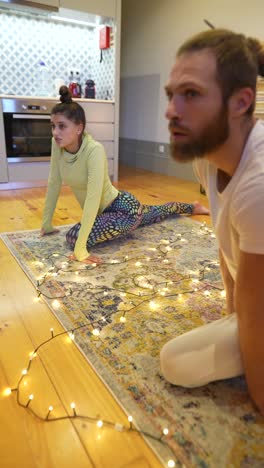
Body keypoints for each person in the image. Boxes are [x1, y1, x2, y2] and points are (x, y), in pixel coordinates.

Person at [160, 28, 264, 416]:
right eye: (171, 95)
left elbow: (258, 306)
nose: (171, 110)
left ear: (240, 103)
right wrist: (232, 315)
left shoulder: (259, 185)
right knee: (179, 359)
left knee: (177, 361)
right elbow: (227, 247)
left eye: (190, 94)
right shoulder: (207, 158)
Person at [41, 86, 209, 265]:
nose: (55, 132)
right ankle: (192, 207)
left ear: (79, 128)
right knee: (156, 212)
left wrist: (81, 249)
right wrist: (47, 223)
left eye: (61, 126)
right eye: (53, 126)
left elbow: (93, 197)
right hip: (109, 213)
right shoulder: (57, 145)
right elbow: (54, 182)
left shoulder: (94, 150)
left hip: (123, 207)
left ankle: (188, 209)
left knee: (74, 237)